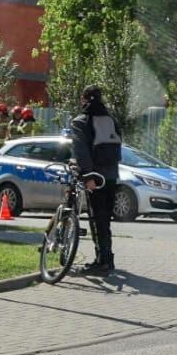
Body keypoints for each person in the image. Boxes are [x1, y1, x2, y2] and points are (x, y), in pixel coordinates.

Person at [70, 84, 123, 274]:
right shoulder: (110, 119)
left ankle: (102, 262)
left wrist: (87, 175)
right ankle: (108, 258)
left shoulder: (81, 121)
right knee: (105, 220)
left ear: (84, 99)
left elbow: (81, 151)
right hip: (111, 176)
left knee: (96, 219)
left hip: (95, 176)